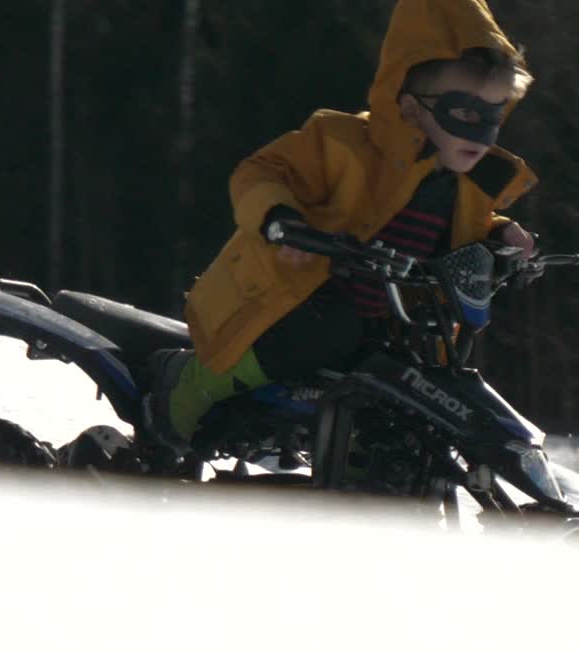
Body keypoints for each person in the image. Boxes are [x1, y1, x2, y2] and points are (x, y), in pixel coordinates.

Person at [143, 0, 539, 453]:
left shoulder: (470, 186)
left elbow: (466, 230)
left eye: (493, 116)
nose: (481, 132)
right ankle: (194, 385)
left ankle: (366, 465)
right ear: (410, 107)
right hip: (295, 303)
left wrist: (500, 236)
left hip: (392, 327)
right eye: (466, 114)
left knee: (427, 375)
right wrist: (280, 219)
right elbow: (261, 174)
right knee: (332, 326)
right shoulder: (341, 143)